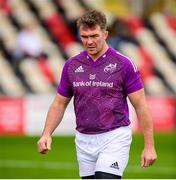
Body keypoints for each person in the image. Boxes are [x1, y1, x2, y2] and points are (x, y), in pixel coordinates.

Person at [37, 10, 157, 179]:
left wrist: (149, 146)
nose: (89, 41)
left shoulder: (123, 64)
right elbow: (59, 103)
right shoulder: (71, 65)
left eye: (94, 36)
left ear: (105, 34)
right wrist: (46, 134)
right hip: (83, 140)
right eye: (84, 37)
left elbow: (141, 105)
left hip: (114, 137)